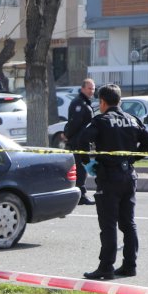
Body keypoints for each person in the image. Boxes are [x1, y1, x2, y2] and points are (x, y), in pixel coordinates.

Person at [75, 83, 148, 281]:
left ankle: (106, 267)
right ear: (119, 101)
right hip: (129, 176)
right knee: (128, 223)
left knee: (109, 224)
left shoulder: (101, 121)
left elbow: (81, 142)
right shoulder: (132, 119)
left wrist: (89, 163)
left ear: (102, 102)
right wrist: (130, 159)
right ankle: (130, 265)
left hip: (109, 178)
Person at [63, 78, 96, 206]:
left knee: (81, 168)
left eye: (93, 88)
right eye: (89, 88)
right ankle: (80, 195)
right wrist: (68, 136)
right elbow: (74, 123)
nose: (92, 91)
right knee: (81, 168)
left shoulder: (85, 102)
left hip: (83, 141)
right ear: (82, 88)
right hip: (78, 142)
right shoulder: (79, 103)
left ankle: (78, 194)